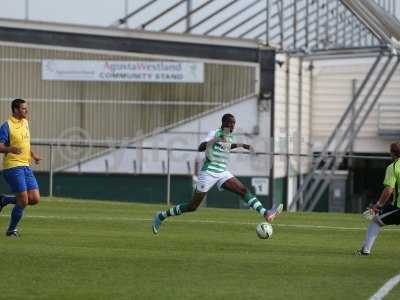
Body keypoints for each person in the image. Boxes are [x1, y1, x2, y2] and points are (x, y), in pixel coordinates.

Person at [152, 113, 283, 234]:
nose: (233, 126)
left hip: (222, 172)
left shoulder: (230, 137)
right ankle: (161, 216)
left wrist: (242, 145)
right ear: (224, 123)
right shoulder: (214, 133)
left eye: (234, 123)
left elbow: (226, 146)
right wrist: (215, 139)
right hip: (208, 172)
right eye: (230, 123)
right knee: (192, 206)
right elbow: (200, 147)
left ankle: (266, 213)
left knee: (243, 190)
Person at [0, 99, 41, 238]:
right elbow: (0, 146)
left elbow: (25, 144)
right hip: (12, 167)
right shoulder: (7, 125)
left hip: (25, 166)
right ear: (16, 109)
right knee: (23, 200)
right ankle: (11, 230)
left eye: (26, 108)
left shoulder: (25, 122)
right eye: (23, 108)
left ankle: (5, 200)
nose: (26, 110)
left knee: (34, 199)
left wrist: (33, 155)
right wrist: (10, 148)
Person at [357, 142, 400, 255]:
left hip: (399, 208)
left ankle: (365, 251)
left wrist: (378, 205)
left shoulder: (393, 167)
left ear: (392, 153)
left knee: (376, 220)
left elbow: (388, 190)